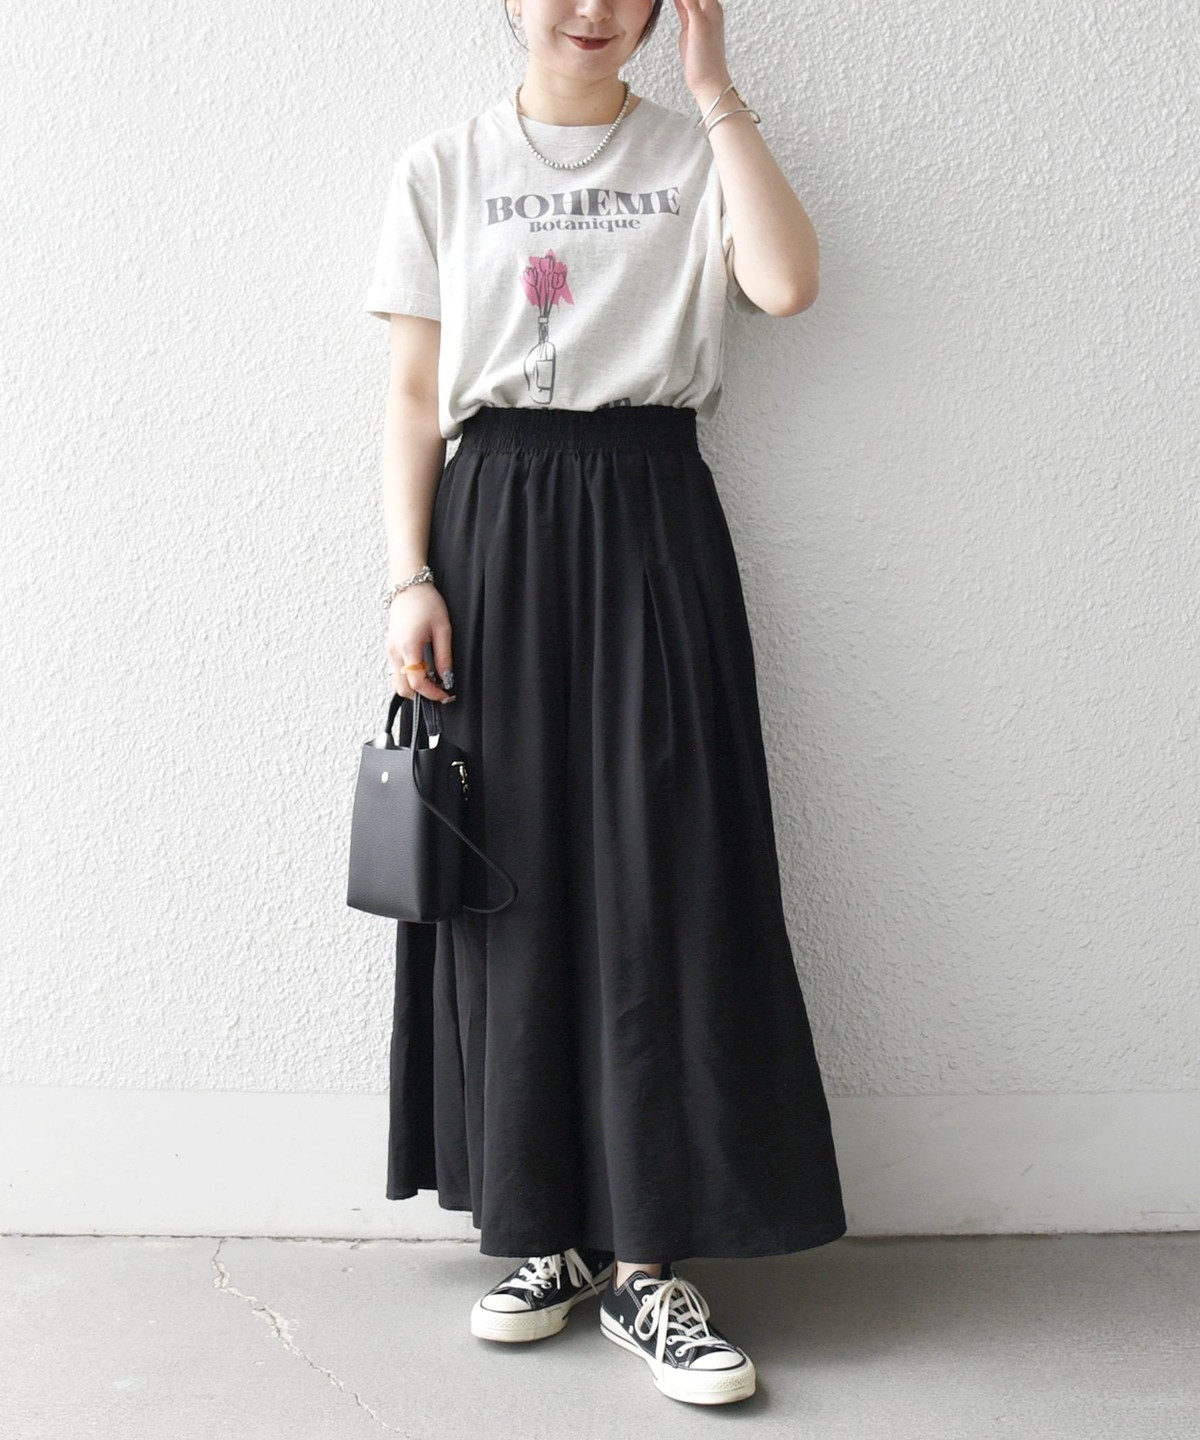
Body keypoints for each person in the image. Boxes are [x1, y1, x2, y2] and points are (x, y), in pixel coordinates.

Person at [362, 0, 847, 1408]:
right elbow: (411, 393)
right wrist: (409, 578)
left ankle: (649, 1265)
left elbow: (787, 285)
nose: (591, 8)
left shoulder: (694, 152)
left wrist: (716, 87)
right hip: (492, 520)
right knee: (507, 873)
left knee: (665, 869)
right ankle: (543, 1231)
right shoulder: (441, 167)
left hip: (651, 510)